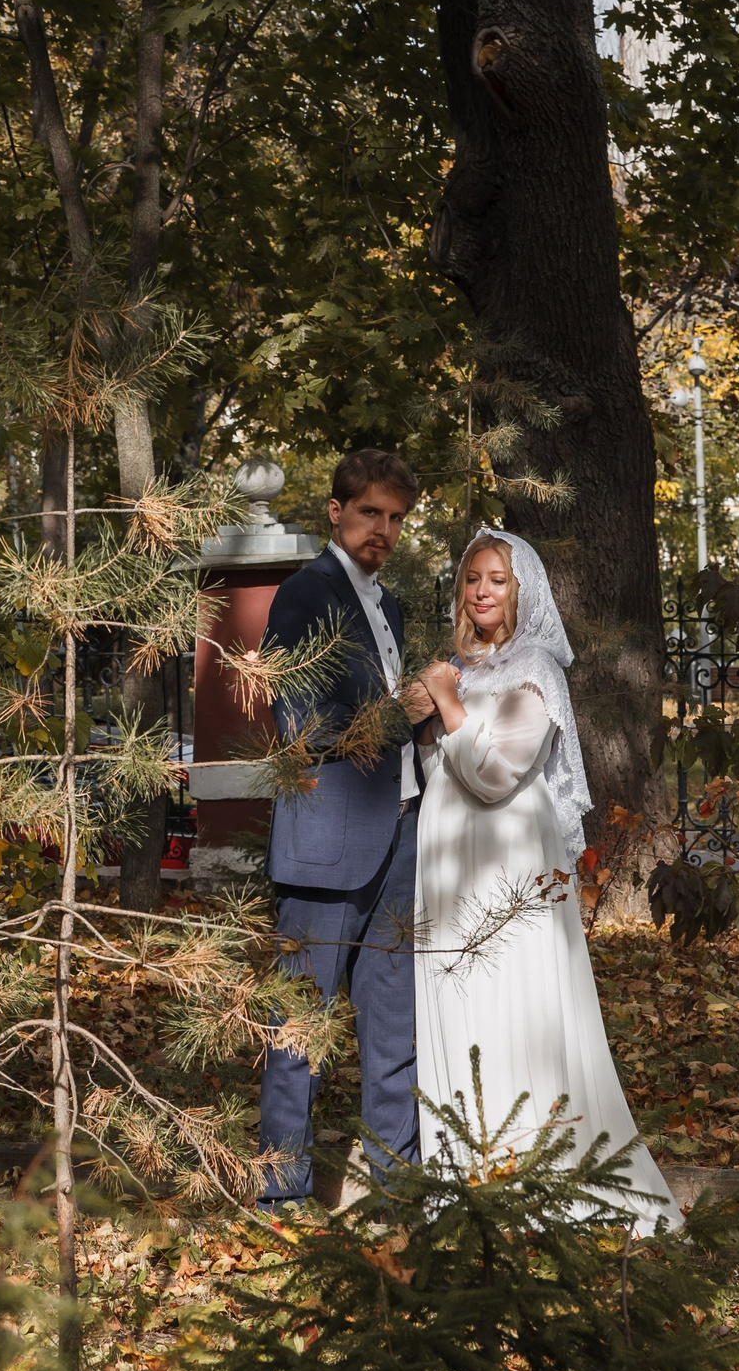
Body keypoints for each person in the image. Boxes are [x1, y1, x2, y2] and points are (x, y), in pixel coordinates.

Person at [403, 527, 677, 1234]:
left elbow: (495, 777)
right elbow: (445, 771)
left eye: (496, 578)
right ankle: (464, 1173)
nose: (482, 591)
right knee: (457, 995)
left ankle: (534, 1168)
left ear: (521, 588)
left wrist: (444, 698)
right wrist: (426, 724)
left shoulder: (537, 670)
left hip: (510, 857)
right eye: (472, 579)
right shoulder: (460, 667)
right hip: (448, 856)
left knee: (513, 1000)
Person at [256, 448, 426, 1206]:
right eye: (370, 514)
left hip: (400, 835)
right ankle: (281, 1192)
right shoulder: (303, 595)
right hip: (326, 847)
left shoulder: (386, 603)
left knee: (394, 1025)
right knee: (300, 1029)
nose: (382, 530)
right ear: (335, 511)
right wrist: (406, 712)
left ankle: (395, 1187)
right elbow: (303, 721)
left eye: (395, 518)